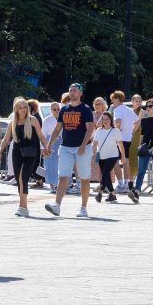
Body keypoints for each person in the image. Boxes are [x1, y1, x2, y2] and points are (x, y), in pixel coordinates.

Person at [44, 83, 95, 218]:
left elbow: (90, 128)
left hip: (82, 147)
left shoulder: (86, 109)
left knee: (84, 178)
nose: (72, 93)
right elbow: (57, 129)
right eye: (70, 90)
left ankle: (83, 208)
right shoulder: (64, 109)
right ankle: (57, 205)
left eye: (75, 91)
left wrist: (84, 144)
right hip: (66, 147)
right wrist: (48, 145)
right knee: (63, 177)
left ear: (80, 93)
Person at [0, 97, 47, 216]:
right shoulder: (13, 123)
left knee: (23, 178)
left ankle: (22, 206)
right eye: (20, 108)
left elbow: (41, 136)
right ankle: (24, 207)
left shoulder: (33, 120)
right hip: (17, 153)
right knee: (19, 180)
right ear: (16, 109)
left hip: (31, 153)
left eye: (25, 107)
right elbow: (6, 139)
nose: (23, 110)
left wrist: (46, 146)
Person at [109, 90, 139, 198]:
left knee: (115, 160)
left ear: (117, 99)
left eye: (113, 98)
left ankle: (121, 184)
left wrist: (116, 131)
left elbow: (118, 122)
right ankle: (126, 184)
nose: (112, 101)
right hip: (128, 138)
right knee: (125, 160)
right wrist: (131, 131)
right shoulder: (129, 109)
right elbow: (137, 121)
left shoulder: (117, 109)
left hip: (119, 138)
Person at [92, 111, 125, 203]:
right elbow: (94, 144)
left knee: (105, 173)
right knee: (106, 176)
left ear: (111, 120)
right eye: (103, 119)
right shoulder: (98, 131)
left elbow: (120, 145)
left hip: (113, 156)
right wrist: (93, 154)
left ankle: (100, 192)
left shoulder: (116, 131)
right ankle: (112, 194)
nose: (105, 121)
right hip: (101, 156)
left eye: (107, 119)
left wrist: (123, 156)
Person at [41, 102, 62, 193]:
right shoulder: (47, 120)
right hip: (50, 141)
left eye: (58, 109)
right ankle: (51, 184)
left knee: (60, 164)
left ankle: (59, 184)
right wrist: (43, 147)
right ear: (51, 110)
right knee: (50, 164)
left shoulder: (63, 118)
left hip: (61, 141)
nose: (57, 111)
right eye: (54, 109)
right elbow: (43, 134)